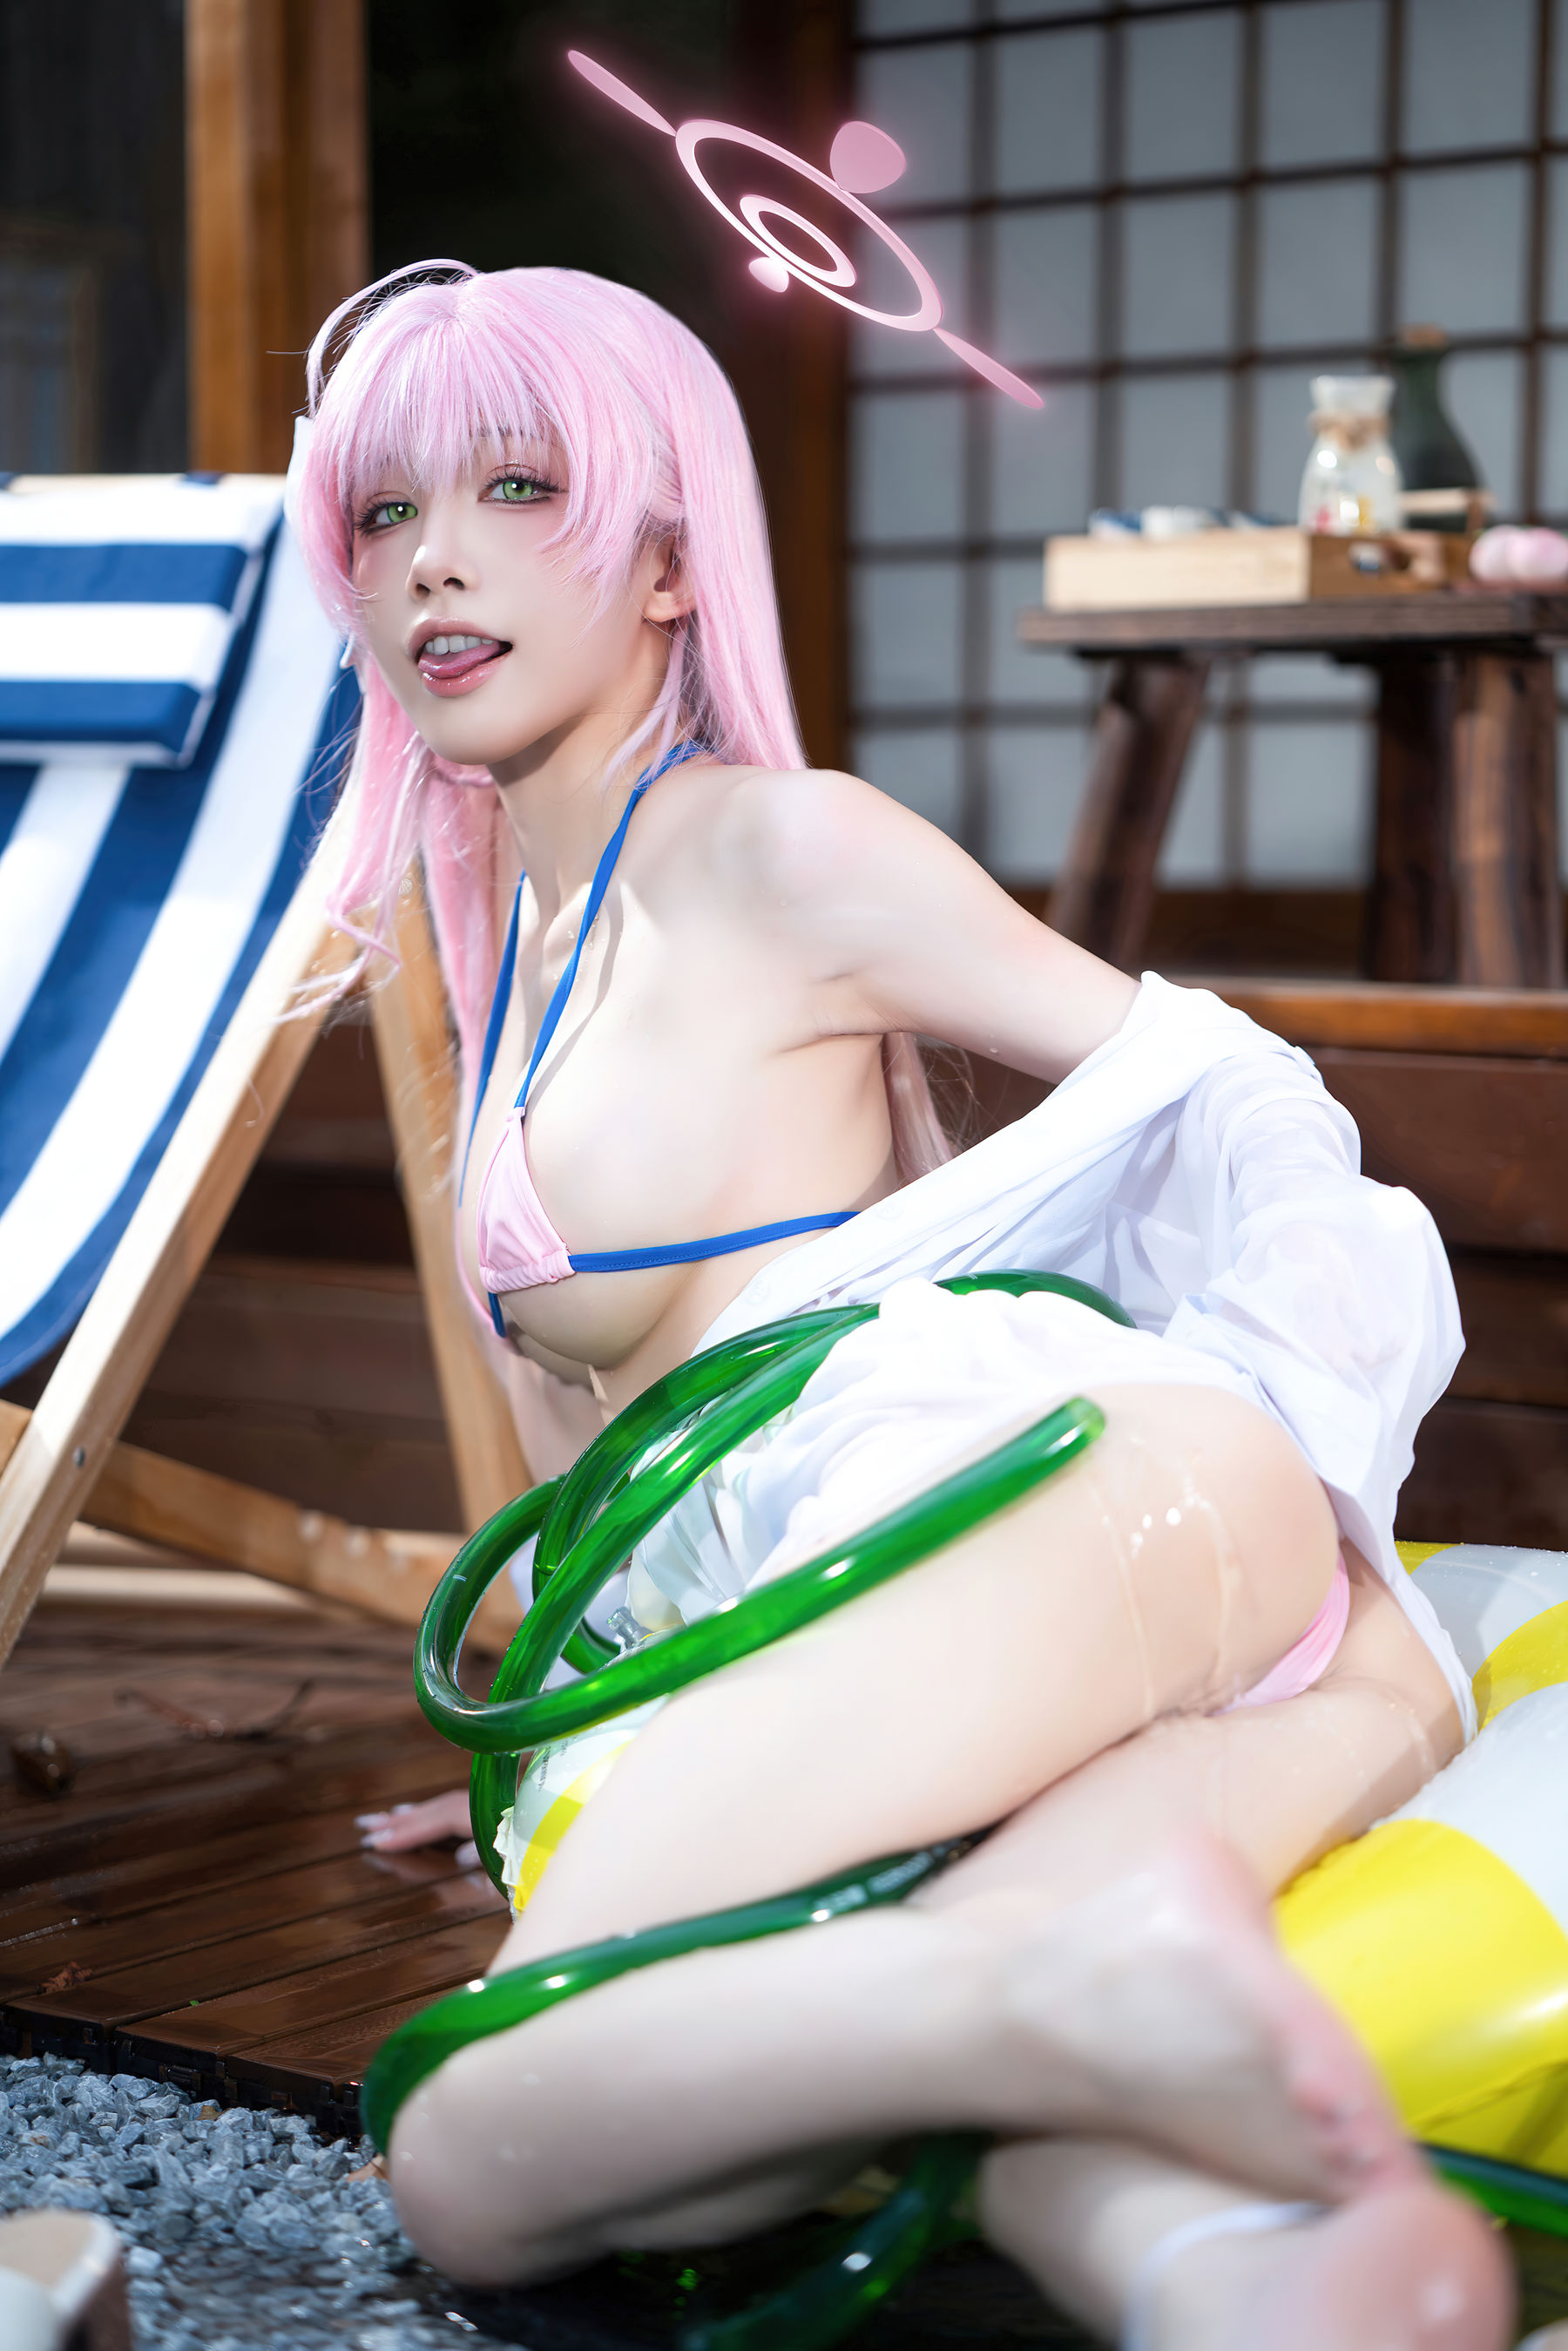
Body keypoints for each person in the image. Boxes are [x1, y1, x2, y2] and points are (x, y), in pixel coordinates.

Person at [294, 261, 1511, 2350]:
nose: (436, 562)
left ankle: (1107, 2007)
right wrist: (591, 1741)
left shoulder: (782, 851)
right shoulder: (524, 923)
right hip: (921, 1574)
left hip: (1057, 1489)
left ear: (668, 562)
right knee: (597, 2149)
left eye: (518, 487)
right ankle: (1250, 2281)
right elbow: (614, 1449)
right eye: (388, 511)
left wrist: (1294, 1422)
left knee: (466, 2135)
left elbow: (1235, 1082)